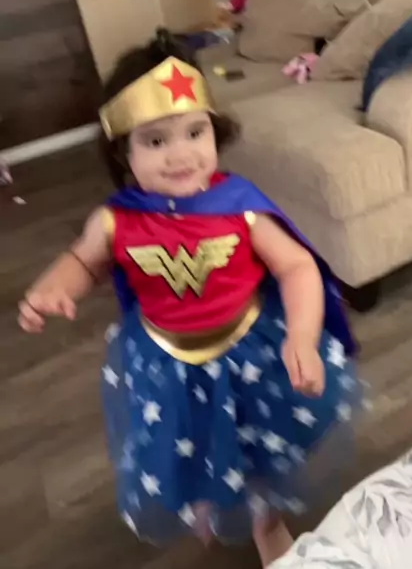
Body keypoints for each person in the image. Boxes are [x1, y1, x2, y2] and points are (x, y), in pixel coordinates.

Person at [18, 30, 363, 567]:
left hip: (249, 357)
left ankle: (265, 522)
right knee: (191, 445)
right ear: (124, 152)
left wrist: (301, 337)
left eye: (194, 132)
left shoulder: (239, 206)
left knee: (253, 449)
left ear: (214, 131)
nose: (180, 155)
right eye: (156, 142)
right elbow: (85, 260)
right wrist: (58, 283)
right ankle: (209, 498)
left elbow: (296, 266)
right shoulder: (116, 220)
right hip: (167, 366)